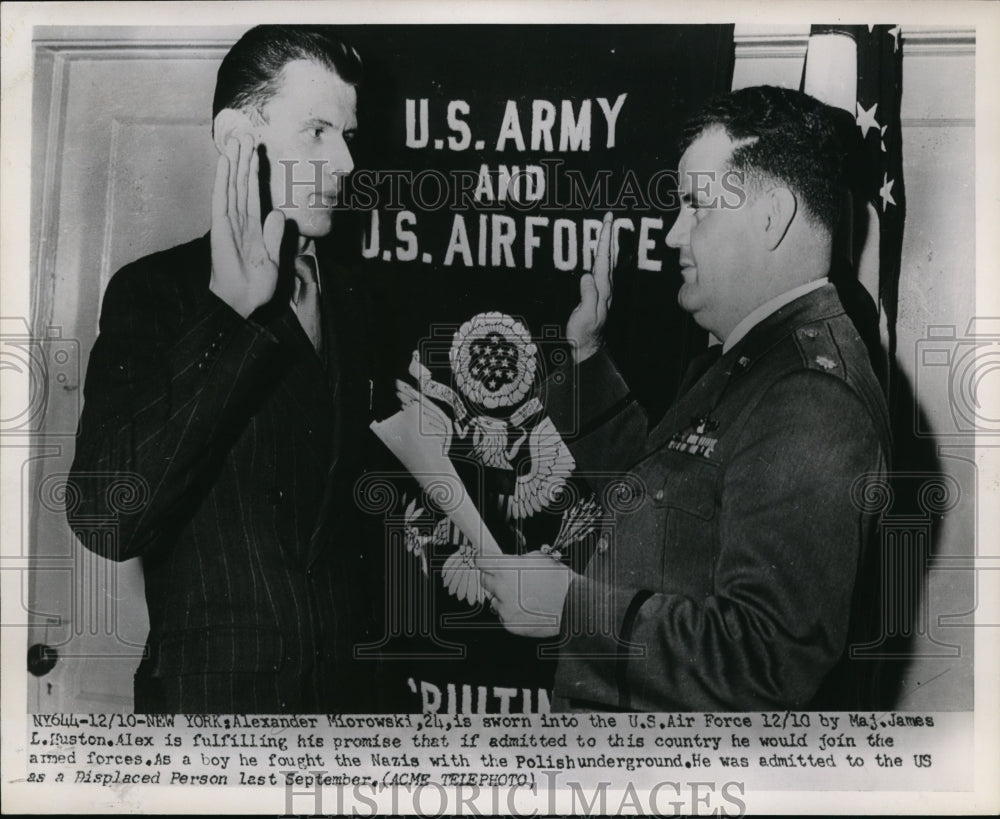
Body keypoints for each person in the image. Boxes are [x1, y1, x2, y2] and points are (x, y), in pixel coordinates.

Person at [480, 85, 891, 711]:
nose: (673, 234)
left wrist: (569, 605)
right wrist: (587, 357)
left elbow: (763, 662)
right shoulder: (755, 361)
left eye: (697, 207)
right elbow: (666, 505)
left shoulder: (809, 396)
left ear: (771, 215)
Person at [66, 25, 375, 713]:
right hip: (213, 720)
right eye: (318, 131)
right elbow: (105, 517)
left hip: (347, 716)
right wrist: (231, 316)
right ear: (239, 135)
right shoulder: (158, 292)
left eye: (348, 134)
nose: (347, 163)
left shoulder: (352, 296)